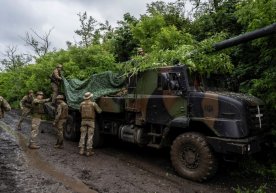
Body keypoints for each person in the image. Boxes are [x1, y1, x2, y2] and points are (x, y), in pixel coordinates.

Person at [79, 92, 102, 156]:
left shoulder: (81, 104)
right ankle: (88, 151)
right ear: (90, 97)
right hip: (91, 122)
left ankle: (81, 150)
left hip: (83, 121)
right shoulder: (93, 104)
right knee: (90, 136)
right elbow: (99, 111)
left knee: (82, 136)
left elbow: (80, 111)